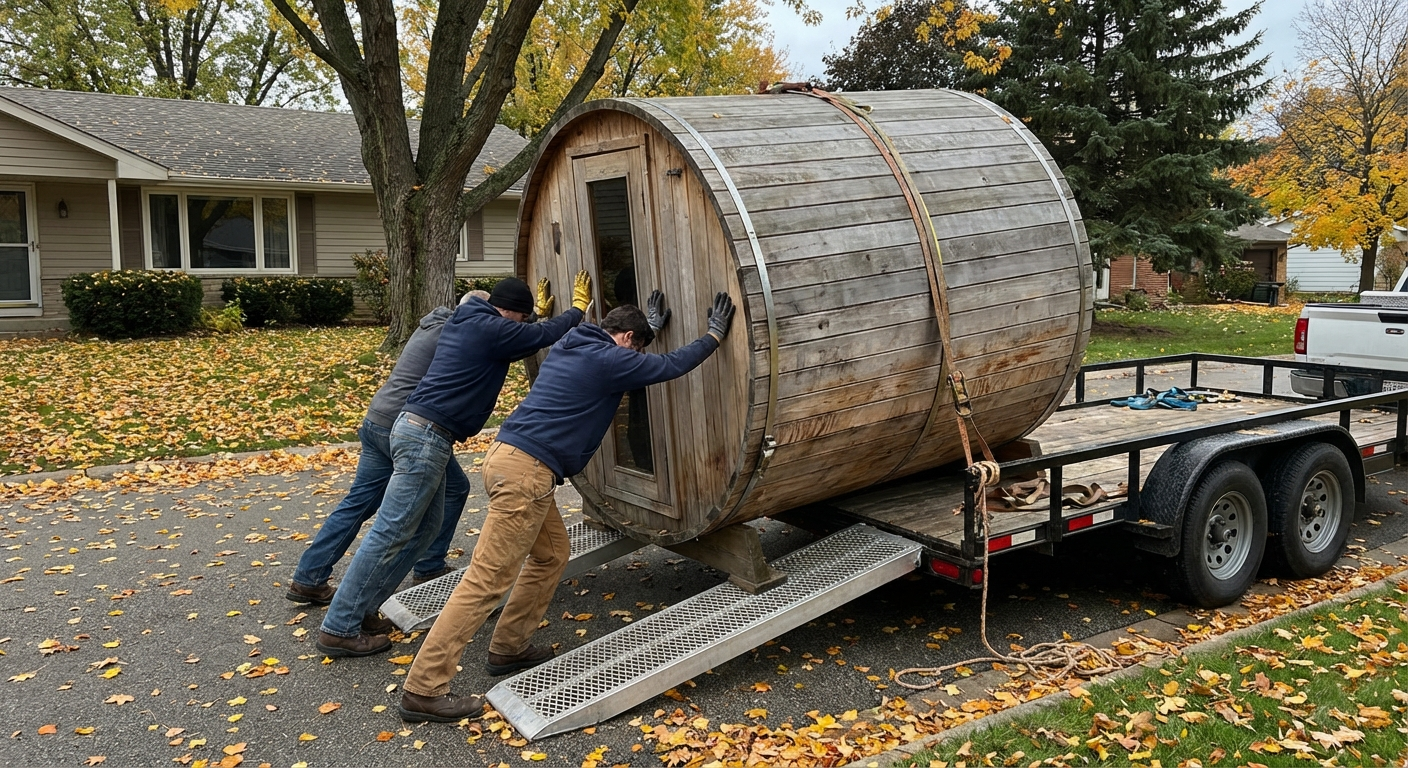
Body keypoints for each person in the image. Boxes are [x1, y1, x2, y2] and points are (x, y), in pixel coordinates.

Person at [397, 290, 734, 723]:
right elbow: (670, 366)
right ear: (627, 337)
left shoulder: (574, 343)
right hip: (527, 475)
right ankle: (423, 689)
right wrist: (712, 335)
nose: (636, 358)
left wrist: (647, 324)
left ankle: (509, 647)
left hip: (509, 459)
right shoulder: (609, 360)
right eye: (637, 344)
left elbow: (630, 353)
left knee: (552, 553)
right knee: (486, 581)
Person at [315, 273, 592, 658]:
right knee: (390, 531)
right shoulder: (489, 328)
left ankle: (360, 611)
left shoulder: (470, 318)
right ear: (508, 312)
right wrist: (578, 310)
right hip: (425, 437)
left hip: (419, 431)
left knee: (425, 528)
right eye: (521, 318)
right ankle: (339, 625)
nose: (520, 326)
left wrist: (534, 317)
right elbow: (541, 337)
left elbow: (521, 334)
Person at [283, 290, 489, 628]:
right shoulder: (456, 333)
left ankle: (309, 575)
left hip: (377, 418)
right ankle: (428, 565)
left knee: (359, 502)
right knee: (445, 495)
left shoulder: (431, 324)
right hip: (408, 426)